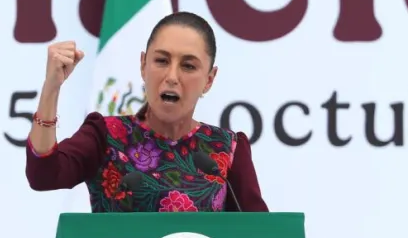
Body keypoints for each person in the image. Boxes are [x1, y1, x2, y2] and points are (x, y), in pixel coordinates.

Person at [25, 11, 268, 212]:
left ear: (209, 79)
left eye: (188, 66)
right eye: (161, 61)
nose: (171, 77)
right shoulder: (106, 136)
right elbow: (43, 175)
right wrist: (51, 88)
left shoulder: (226, 149)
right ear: (143, 65)